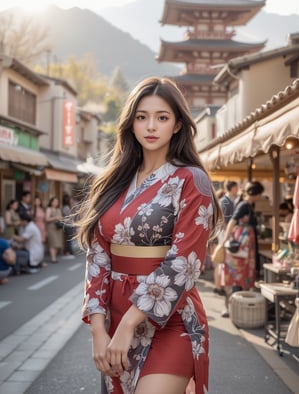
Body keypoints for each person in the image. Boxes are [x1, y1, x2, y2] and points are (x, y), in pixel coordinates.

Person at [78, 77, 222, 394]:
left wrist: (130, 323)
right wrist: (98, 331)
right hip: (114, 320)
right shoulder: (113, 182)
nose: (151, 126)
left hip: (171, 319)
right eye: (142, 117)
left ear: (178, 125)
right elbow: (98, 257)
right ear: (130, 124)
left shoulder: (191, 179)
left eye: (162, 117)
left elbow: (184, 262)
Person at [220, 180, 264, 317]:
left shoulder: (248, 205)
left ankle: (236, 308)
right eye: (260, 194)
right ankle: (231, 307)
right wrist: (224, 241)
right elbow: (232, 221)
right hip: (241, 248)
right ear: (255, 193)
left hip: (244, 248)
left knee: (240, 276)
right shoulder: (244, 205)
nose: (261, 197)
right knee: (236, 276)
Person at [213, 181, 239, 295]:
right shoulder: (226, 201)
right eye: (236, 187)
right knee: (223, 261)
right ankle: (220, 286)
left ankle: (219, 285)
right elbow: (225, 222)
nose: (238, 189)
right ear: (233, 188)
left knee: (222, 261)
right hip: (225, 234)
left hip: (222, 233)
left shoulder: (225, 200)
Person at [45, 197, 63, 263]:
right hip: (51, 228)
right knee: (52, 243)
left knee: (57, 244)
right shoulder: (49, 209)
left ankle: (54, 256)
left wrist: (60, 219)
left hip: (58, 228)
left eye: (56, 201)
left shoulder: (58, 209)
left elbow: (61, 218)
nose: (55, 203)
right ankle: (53, 258)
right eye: (54, 201)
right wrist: (55, 217)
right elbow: (47, 219)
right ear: (51, 202)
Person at [61, 193, 76, 259]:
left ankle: (69, 251)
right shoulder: (66, 207)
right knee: (68, 239)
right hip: (67, 225)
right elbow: (70, 215)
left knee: (69, 239)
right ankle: (67, 252)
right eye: (71, 199)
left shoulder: (70, 206)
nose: (72, 201)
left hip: (70, 224)